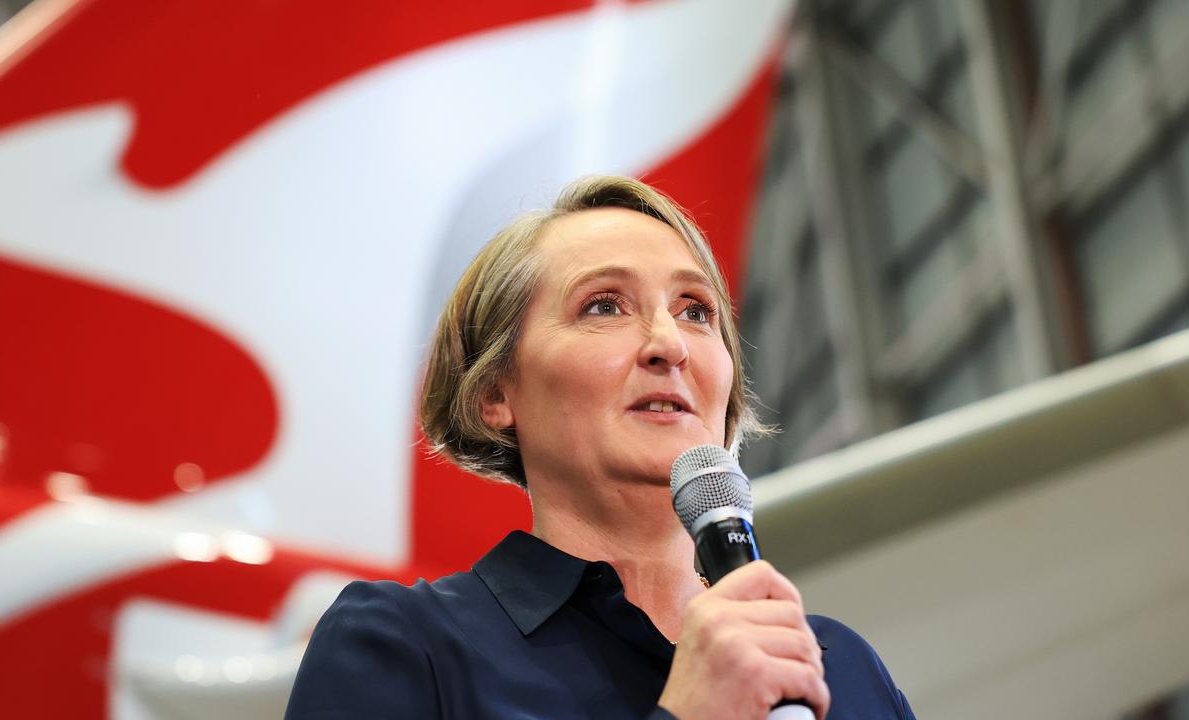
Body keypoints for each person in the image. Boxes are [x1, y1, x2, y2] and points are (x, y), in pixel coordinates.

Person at [285, 176, 916, 719]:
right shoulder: (403, 645)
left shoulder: (844, 669)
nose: (669, 343)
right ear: (494, 391)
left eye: (696, 311)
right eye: (604, 306)